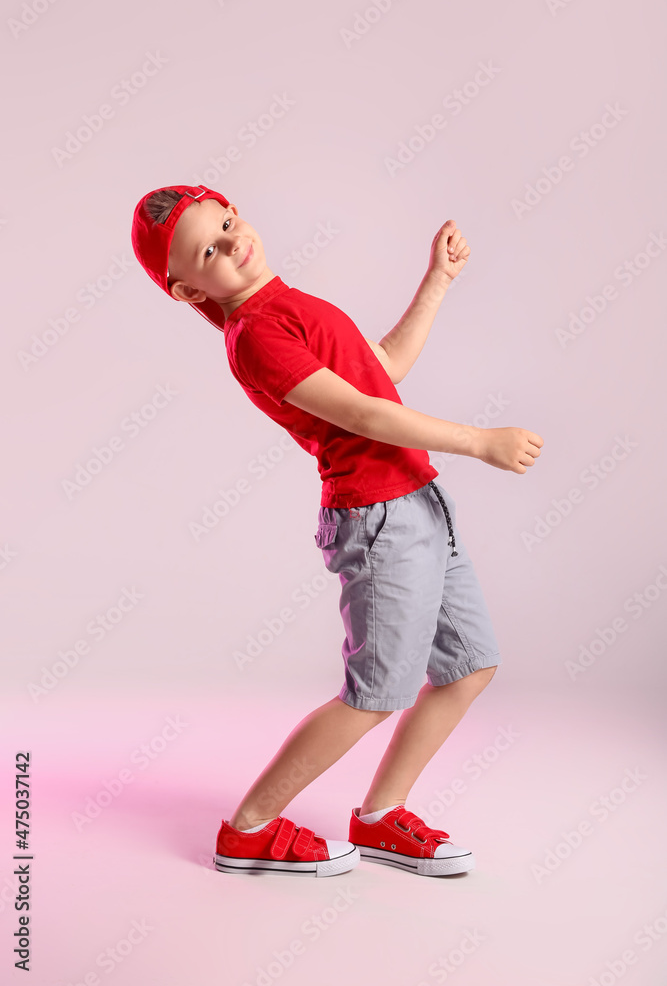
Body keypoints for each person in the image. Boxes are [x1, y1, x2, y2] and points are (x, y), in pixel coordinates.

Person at [131, 184, 543, 878]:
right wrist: (479, 441)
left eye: (228, 223)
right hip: (377, 518)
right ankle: (249, 828)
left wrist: (436, 282)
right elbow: (367, 417)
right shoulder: (257, 335)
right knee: (375, 691)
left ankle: (380, 817)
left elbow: (380, 375)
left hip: (417, 502)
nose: (234, 243)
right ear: (184, 289)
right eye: (210, 248)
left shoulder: (290, 305)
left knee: (469, 664)